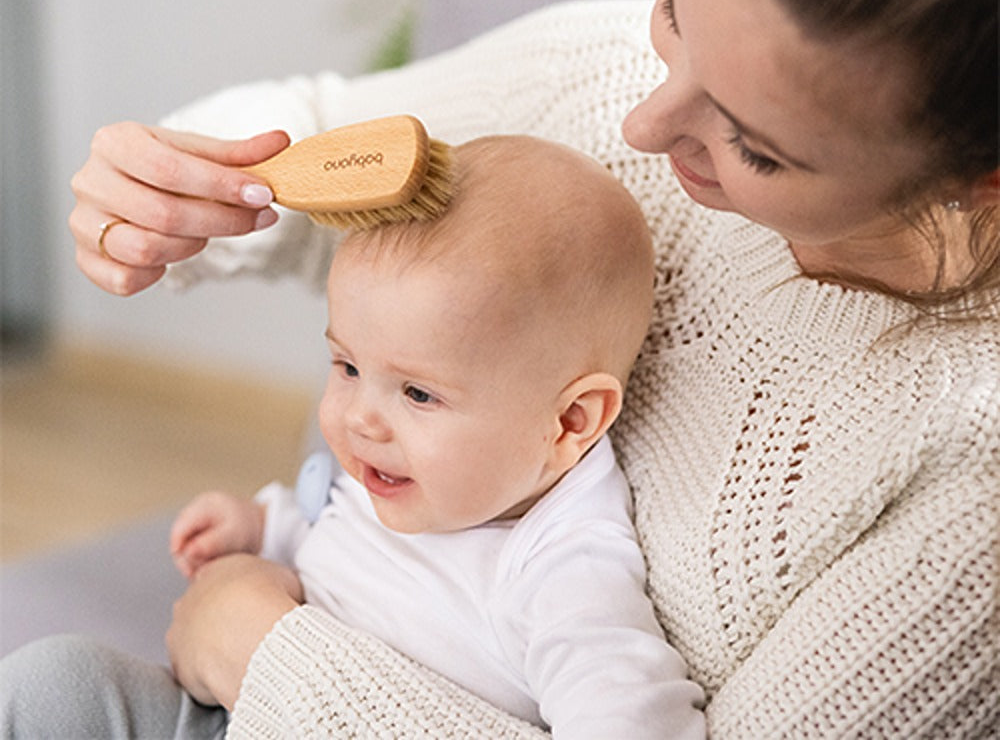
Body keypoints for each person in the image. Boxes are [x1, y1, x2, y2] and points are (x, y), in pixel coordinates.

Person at [10, 0, 1000, 737]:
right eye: (673, 11)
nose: (642, 126)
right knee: (52, 685)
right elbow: (315, 131)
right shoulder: (597, 75)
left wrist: (264, 650)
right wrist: (167, 194)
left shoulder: (969, 484)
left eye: (753, 144)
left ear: (976, 179)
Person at [165, 134, 704, 738]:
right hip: (234, 710)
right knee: (78, 682)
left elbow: (634, 721)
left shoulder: (563, 580)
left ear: (570, 422)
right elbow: (340, 542)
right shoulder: (416, 478)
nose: (361, 419)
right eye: (347, 367)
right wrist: (264, 527)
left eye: (419, 394)